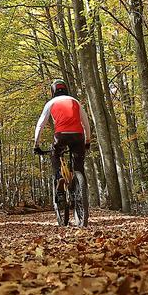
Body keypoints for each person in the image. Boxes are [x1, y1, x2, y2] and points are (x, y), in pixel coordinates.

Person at [33, 79, 91, 208]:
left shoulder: (50, 103)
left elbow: (40, 125)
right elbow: (86, 123)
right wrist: (87, 140)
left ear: (53, 91)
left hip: (61, 136)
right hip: (78, 136)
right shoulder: (75, 101)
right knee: (79, 165)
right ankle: (81, 190)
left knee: (55, 154)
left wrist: (36, 145)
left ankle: (59, 177)